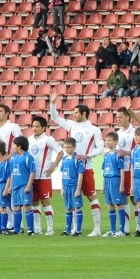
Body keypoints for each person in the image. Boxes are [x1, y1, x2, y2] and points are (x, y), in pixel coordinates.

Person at [50, 99, 105, 236]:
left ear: (84, 113)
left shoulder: (94, 130)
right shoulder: (71, 126)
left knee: (92, 197)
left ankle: (97, 229)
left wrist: (87, 155)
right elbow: (55, 117)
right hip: (71, 170)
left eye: (76, 113)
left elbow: (101, 148)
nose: (73, 115)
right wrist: (52, 103)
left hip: (86, 168)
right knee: (72, 202)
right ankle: (74, 229)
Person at [27, 115, 63, 236]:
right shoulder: (29, 139)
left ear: (43, 128)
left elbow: (61, 152)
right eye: (33, 126)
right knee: (34, 202)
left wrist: (53, 166)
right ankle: (37, 228)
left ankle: (50, 228)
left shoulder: (48, 139)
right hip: (32, 176)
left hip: (43, 176)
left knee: (45, 201)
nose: (35, 128)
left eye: (37, 126)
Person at [4, 136, 36, 235]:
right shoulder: (14, 158)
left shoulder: (28, 157)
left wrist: (28, 186)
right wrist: (10, 186)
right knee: (16, 207)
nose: (13, 146)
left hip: (24, 186)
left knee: (26, 206)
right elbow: (13, 173)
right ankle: (17, 230)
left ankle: (31, 230)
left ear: (19, 146)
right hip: (15, 186)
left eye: (14, 144)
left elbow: (32, 172)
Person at [101, 132, 127, 236]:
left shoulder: (118, 155)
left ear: (115, 142)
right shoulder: (106, 155)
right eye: (106, 140)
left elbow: (121, 170)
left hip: (115, 180)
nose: (107, 142)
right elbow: (104, 171)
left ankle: (121, 230)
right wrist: (103, 185)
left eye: (109, 140)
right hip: (107, 181)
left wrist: (121, 185)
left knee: (119, 204)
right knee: (110, 205)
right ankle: (112, 230)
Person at [59, 138, 85, 236]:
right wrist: (62, 188)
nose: (66, 149)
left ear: (74, 147)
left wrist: (78, 189)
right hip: (66, 187)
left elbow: (80, 175)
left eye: (69, 147)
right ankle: (68, 230)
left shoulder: (77, 159)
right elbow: (63, 175)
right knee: (68, 208)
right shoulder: (64, 159)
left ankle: (78, 231)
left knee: (77, 207)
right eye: (65, 147)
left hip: (74, 187)